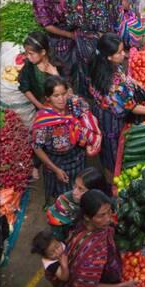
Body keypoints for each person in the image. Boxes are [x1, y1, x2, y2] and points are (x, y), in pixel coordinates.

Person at [88, 33, 145, 181]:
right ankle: (112, 182)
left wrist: (133, 82)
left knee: (109, 151)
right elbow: (132, 107)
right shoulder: (113, 85)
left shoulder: (102, 65)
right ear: (109, 56)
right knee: (113, 154)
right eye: (120, 52)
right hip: (111, 121)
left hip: (103, 111)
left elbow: (122, 77)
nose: (124, 54)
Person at [56, 190, 141, 287]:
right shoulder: (91, 251)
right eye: (101, 215)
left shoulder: (92, 226)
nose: (108, 219)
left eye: (109, 212)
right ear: (87, 217)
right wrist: (123, 286)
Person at [31, 76, 101, 206]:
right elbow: (37, 147)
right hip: (57, 162)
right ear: (48, 98)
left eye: (63, 94)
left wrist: (90, 137)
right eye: (56, 95)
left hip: (77, 156)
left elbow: (87, 114)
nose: (61, 99)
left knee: (79, 187)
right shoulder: (43, 120)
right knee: (64, 196)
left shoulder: (74, 104)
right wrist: (55, 169)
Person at [32, 0, 77, 79]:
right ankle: (66, 86)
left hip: (74, 27)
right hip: (57, 34)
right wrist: (69, 35)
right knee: (65, 64)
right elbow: (48, 26)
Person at [46, 167, 109, 240]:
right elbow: (57, 233)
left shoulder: (104, 203)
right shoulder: (64, 204)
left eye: (81, 189)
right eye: (75, 186)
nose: (74, 192)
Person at [18, 31, 64, 111]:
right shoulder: (29, 66)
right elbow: (25, 87)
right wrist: (39, 105)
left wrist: (56, 75)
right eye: (26, 53)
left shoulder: (57, 65)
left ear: (43, 52)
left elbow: (69, 92)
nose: (27, 57)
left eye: (31, 53)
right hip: (42, 106)